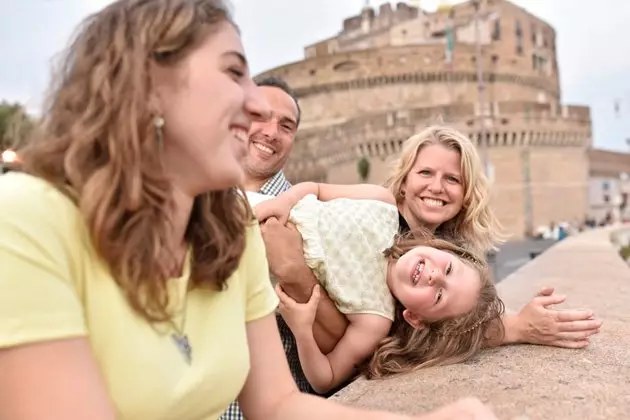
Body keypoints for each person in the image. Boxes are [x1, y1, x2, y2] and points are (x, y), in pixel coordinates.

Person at [0, 1, 499, 419]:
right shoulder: (29, 221)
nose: (258, 107)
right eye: (234, 71)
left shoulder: (229, 235)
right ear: (148, 84)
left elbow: (279, 405)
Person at [270, 126, 602, 362]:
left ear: (467, 194)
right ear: (405, 180)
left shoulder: (448, 256)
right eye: (425, 173)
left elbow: (449, 325)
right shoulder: (370, 214)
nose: (437, 187)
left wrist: (518, 323)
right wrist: (516, 327)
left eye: (453, 179)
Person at [251, 184, 504, 393]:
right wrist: (284, 201)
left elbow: (325, 378)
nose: (435, 276)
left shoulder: (373, 321)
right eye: (448, 269)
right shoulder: (383, 204)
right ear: (442, 249)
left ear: (415, 318)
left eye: (439, 295)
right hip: (253, 206)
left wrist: (302, 330)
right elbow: (316, 189)